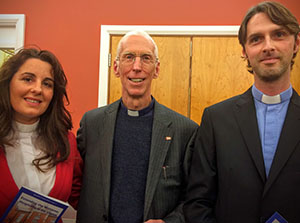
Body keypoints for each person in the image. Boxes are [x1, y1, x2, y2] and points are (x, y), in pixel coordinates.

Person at [183, 1, 300, 223]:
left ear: (295, 44)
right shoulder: (216, 120)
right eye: (256, 39)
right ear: (245, 51)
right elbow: (198, 202)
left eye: (278, 34)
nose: (268, 46)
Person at [76, 30, 198, 223]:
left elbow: (195, 197)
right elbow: (75, 185)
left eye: (146, 58)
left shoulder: (184, 131)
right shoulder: (92, 124)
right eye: (129, 57)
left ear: (156, 69)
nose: (137, 67)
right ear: (116, 67)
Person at [0, 48, 83, 219]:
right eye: (28, 79)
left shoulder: (66, 142)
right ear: (7, 84)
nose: (38, 89)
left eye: (47, 84)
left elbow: (81, 197)